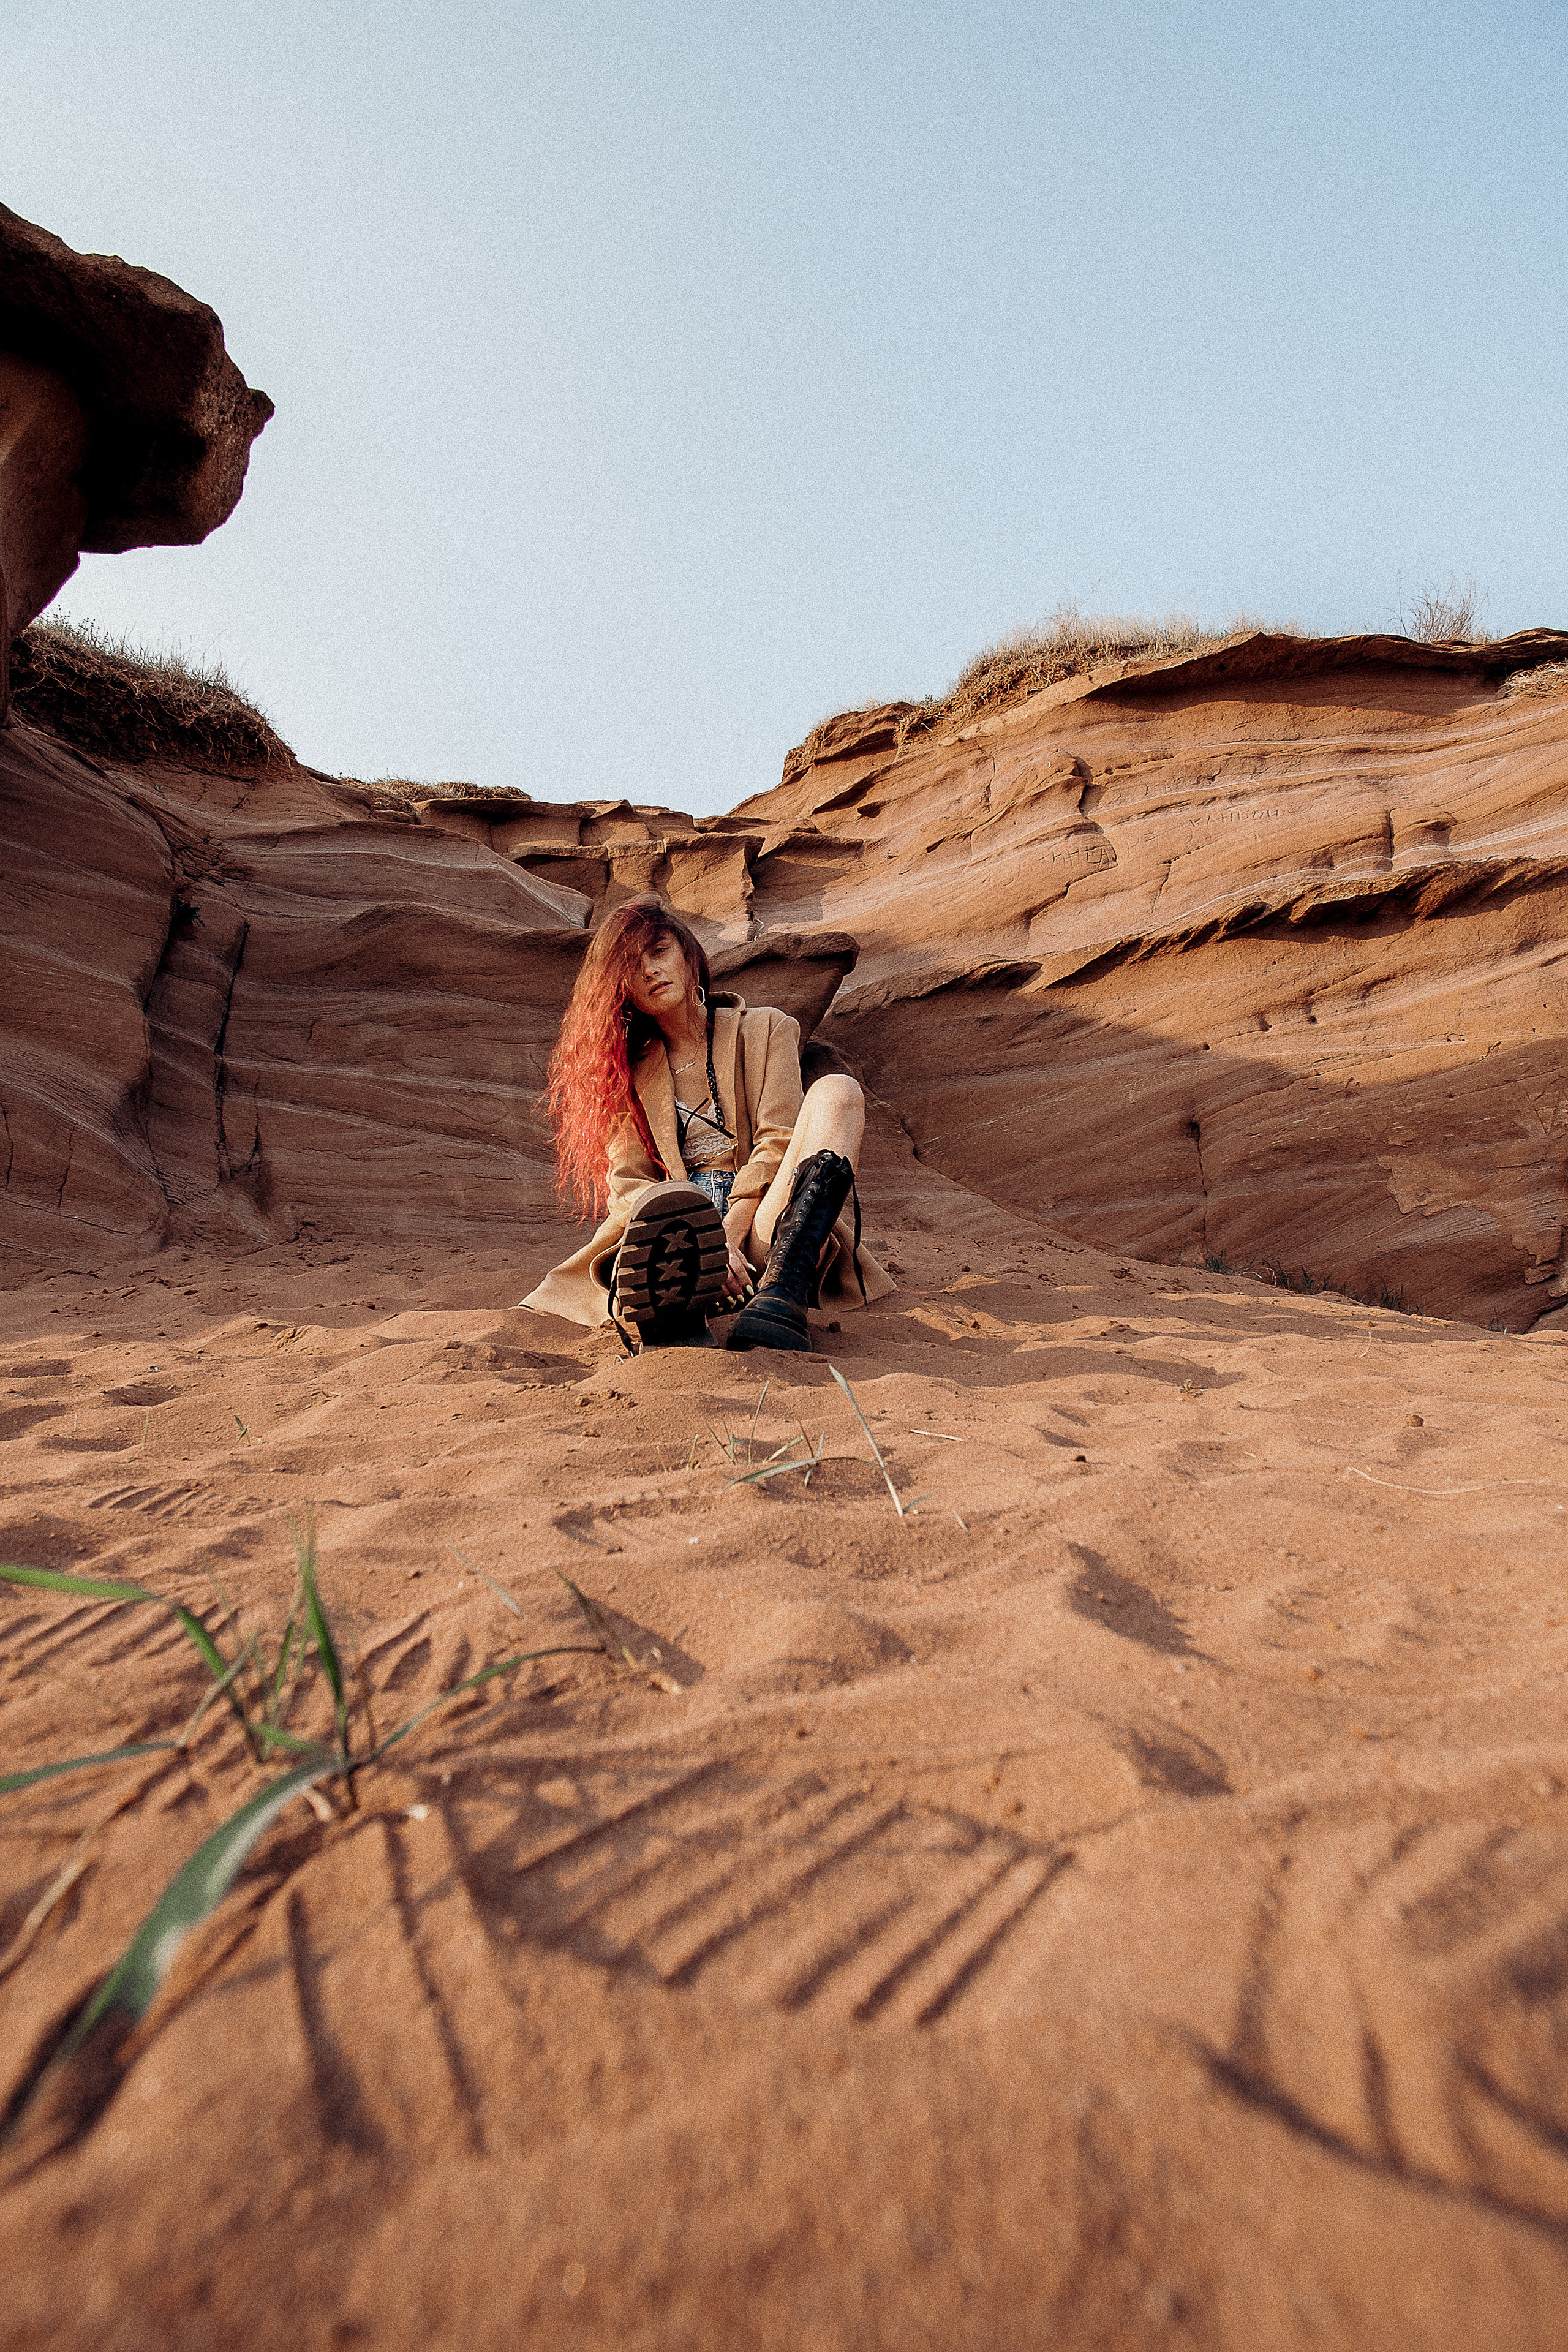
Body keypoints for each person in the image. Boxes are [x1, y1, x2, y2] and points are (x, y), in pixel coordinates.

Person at [522, 895, 894, 1351]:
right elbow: (630, 1184)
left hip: (763, 1222)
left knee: (838, 1092)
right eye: (631, 967)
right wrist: (701, 1240)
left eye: (659, 952)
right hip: (678, 1237)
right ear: (621, 989)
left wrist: (730, 1232)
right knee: (664, 1225)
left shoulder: (767, 1028)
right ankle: (678, 1307)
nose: (650, 972)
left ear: (688, 954)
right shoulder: (622, 1071)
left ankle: (781, 1295)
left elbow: (779, 1140)